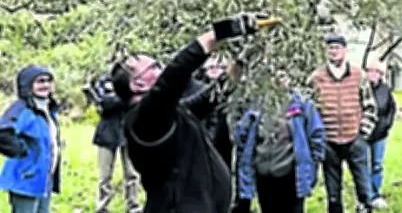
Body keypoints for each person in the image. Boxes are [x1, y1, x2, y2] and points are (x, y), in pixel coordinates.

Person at [110, 12, 280, 213]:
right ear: (137, 84)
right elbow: (176, 72)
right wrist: (224, 30)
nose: (161, 68)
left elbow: (210, 97)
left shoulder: (168, 116)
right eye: (153, 67)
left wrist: (245, 58)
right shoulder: (143, 120)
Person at [232, 72, 326, 213]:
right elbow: (242, 136)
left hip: (291, 177)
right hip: (264, 178)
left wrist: (312, 166)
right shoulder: (257, 105)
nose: (278, 81)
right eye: (274, 76)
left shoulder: (301, 104)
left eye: (283, 76)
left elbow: (317, 135)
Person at [309, 35, 378, 213]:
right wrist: (319, 138)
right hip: (329, 142)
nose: (334, 51)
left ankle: (365, 207)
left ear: (345, 50)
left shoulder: (358, 75)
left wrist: (363, 134)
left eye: (337, 48)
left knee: (363, 187)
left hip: (355, 139)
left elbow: (370, 106)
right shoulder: (316, 77)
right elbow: (310, 111)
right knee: (333, 192)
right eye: (331, 48)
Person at [0, 66, 61, 213]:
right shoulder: (21, 109)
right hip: (25, 180)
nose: (45, 85)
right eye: (40, 81)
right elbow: (3, 133)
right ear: (27, 84)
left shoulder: (47, 108)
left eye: (48, 81)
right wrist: (22, 151)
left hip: (44, 178)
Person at [88, 72, 142, 213]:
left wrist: (120, 98)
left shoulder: (134, 79)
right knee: (105, 176)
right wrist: (125, 97)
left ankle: (134, 206)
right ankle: (102, 207)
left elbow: (139, 101)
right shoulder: (102, 81)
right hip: (106, 133)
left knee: (132, 174)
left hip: (129, 131)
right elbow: (103, 103)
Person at [365, 58, 397, 210]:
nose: (373, 74)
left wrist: (386, 125)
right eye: (370, 71)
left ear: (381, 74)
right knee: (364, 165)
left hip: (380, 134)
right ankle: (365, 195)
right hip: (364, 134)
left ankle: (375, 194)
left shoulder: (386, 90)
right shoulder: (362, 88)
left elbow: (392, 109)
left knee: (377, 165)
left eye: (376, 71)